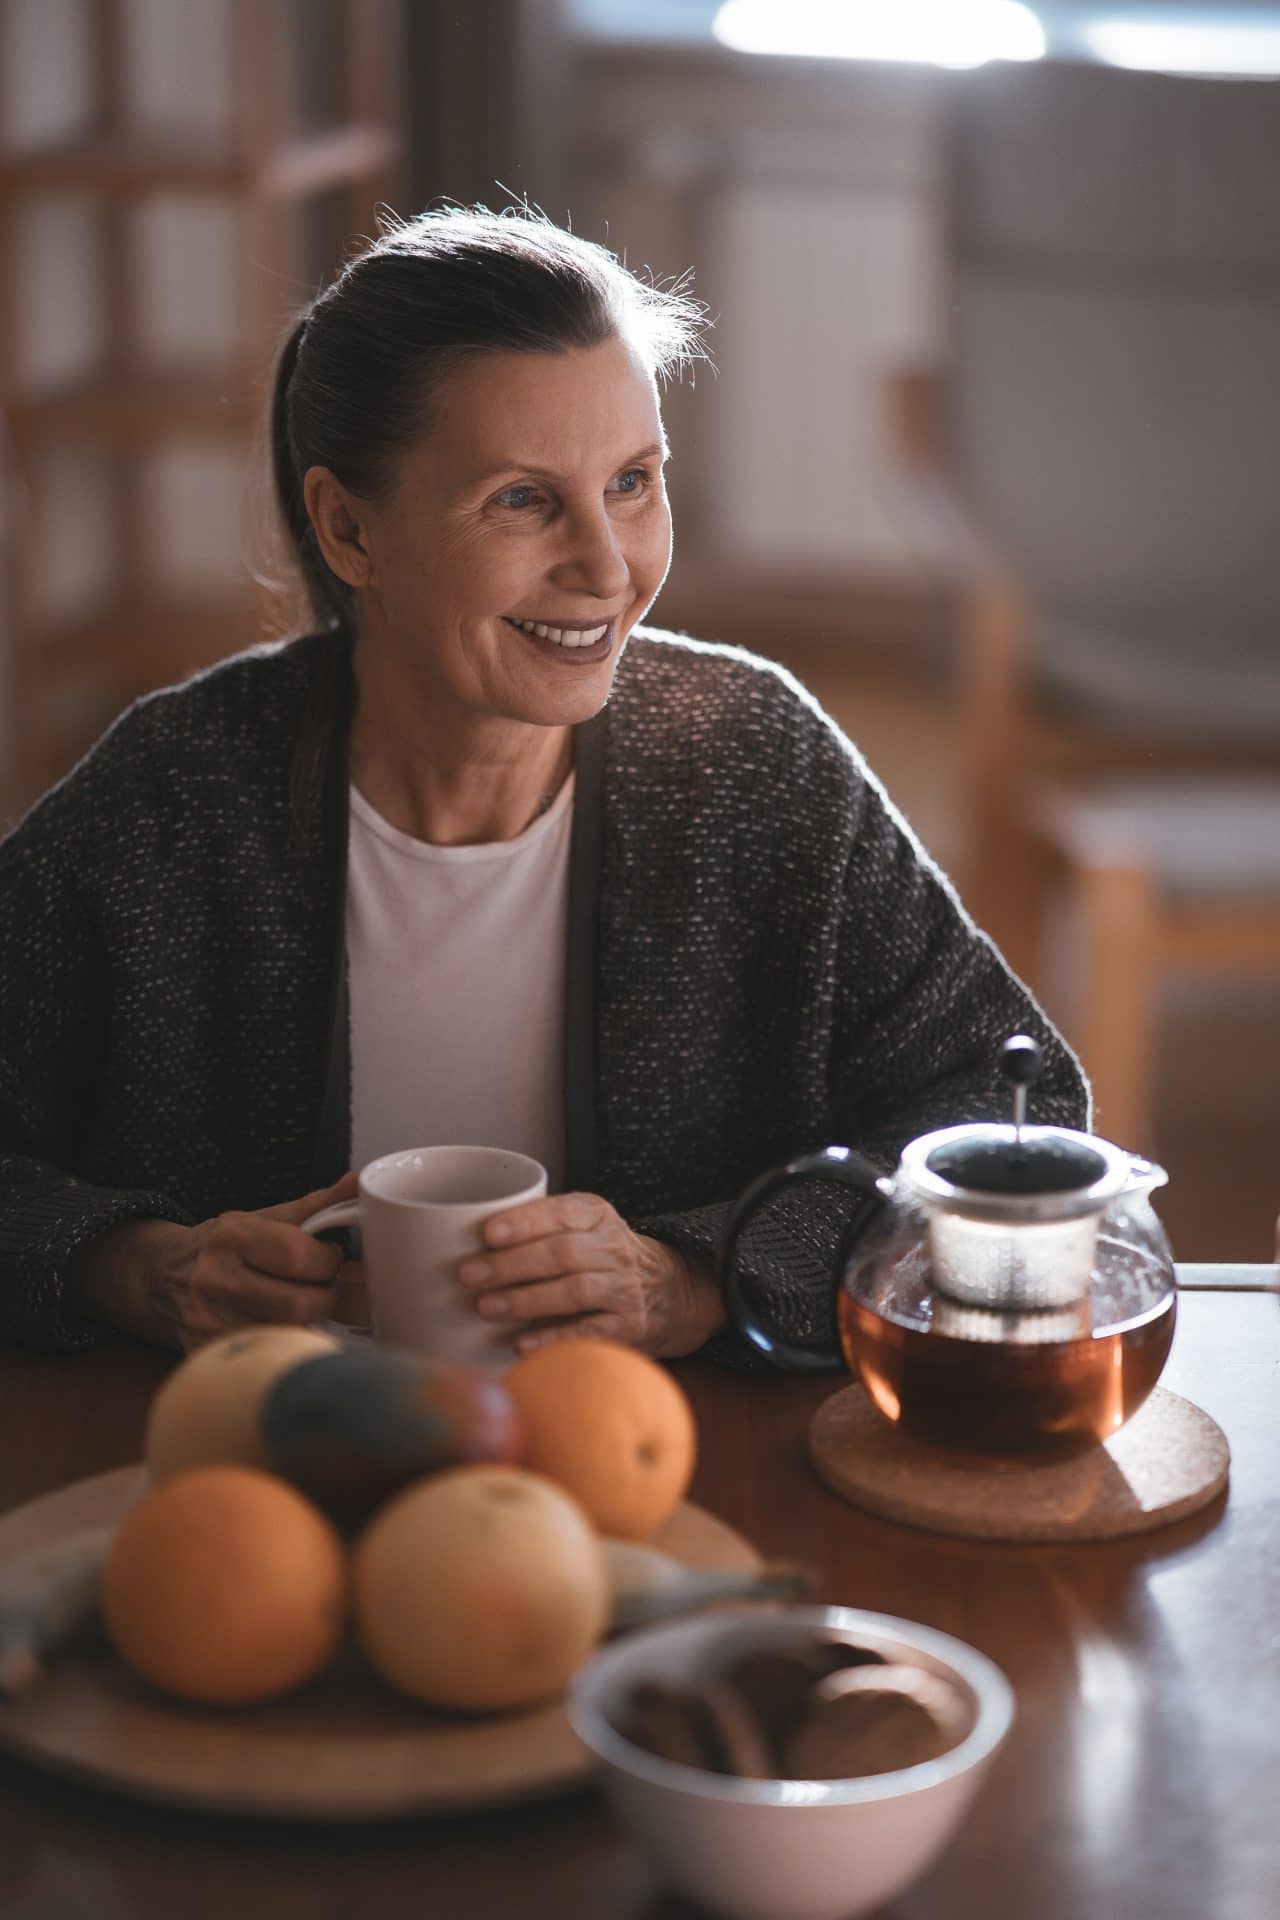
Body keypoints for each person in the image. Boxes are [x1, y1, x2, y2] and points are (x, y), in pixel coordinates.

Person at [0, 207, 1089, 1364]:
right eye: (521, 500)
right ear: (348, 529)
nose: (606, 567)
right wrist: (129, 1267)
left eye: (631, 481)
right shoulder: (175, 795)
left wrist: (698, 1278)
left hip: (658, 1458)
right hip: (244, 1458)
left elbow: (1012, 1112)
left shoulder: (756, 765)